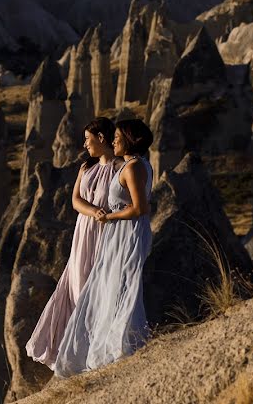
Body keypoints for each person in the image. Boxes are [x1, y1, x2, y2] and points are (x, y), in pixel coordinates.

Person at [53, 118, 155, 378]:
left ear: (130, 139)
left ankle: (123, 344)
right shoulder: (134, 165)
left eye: (119, 137)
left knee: (121, 288)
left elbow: (140, 209)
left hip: (125, 233)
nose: (115, 141)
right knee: (115, 288)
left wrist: (108, 217)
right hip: (119, 233)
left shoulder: (131, 168)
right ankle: (116, 342)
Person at [25, 117, 119, 369]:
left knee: (98, 287)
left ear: (102, 138)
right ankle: (77, 351)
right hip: (85, 230)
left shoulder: (121, 167)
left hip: (106, 232)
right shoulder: (86, 167)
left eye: (88, 139)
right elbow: (76, 200)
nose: (85, 145)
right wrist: (94, 211)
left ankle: (97, 351)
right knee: (77, 285)